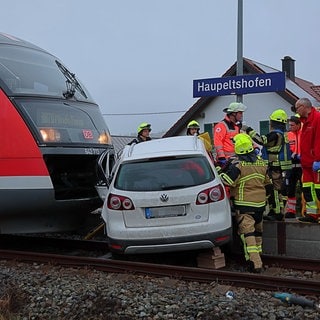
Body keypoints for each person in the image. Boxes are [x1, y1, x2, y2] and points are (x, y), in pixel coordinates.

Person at [219, 133, 271, 273]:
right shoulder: (262, 163)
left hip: (244, 205)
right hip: (260, 205)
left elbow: (228, 181)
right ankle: (258, 256)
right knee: (258, 232)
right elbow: (268, 183)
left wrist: (220, 171)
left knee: (247, 233)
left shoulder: (239, 165)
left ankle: (255, 263)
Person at [243, 109, 292, 221]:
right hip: (278, 166)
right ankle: (276, 211)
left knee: (273, 189)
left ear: (274, 123)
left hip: (274, 166)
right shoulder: (283, 134)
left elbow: (261, 140)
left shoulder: (275, 135)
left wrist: (249, 130)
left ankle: (277, 212)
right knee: (277, 190)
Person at [294, 97, 320, 223]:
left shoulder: (317, 119)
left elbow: (318, 140)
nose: (296, 111)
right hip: (307, 163)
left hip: (315, 163)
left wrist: (318, 159)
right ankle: (312, 214)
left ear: (304, 107)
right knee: (308, 190)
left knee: (319, 190)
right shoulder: (305, 121)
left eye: (297, 108)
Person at [213, 102, 247, 167]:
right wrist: (221, 157)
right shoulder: (221, 126)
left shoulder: (238, 126)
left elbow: (245, 139)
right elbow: (218, 142)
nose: (242, 115)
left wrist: (255, 147)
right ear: (234, 113)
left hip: (237, 159)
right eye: (240, 113)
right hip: (226, 161)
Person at [285, 114, 302, 218]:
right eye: (289, 125)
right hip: (290, 166)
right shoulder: (288, 135)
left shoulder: (304, 134)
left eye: (292, 125)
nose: (290, 127)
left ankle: (309, 211)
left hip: (302, 166)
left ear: (298, 125)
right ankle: (291, 211)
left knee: (306, 189)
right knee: (289, 189)